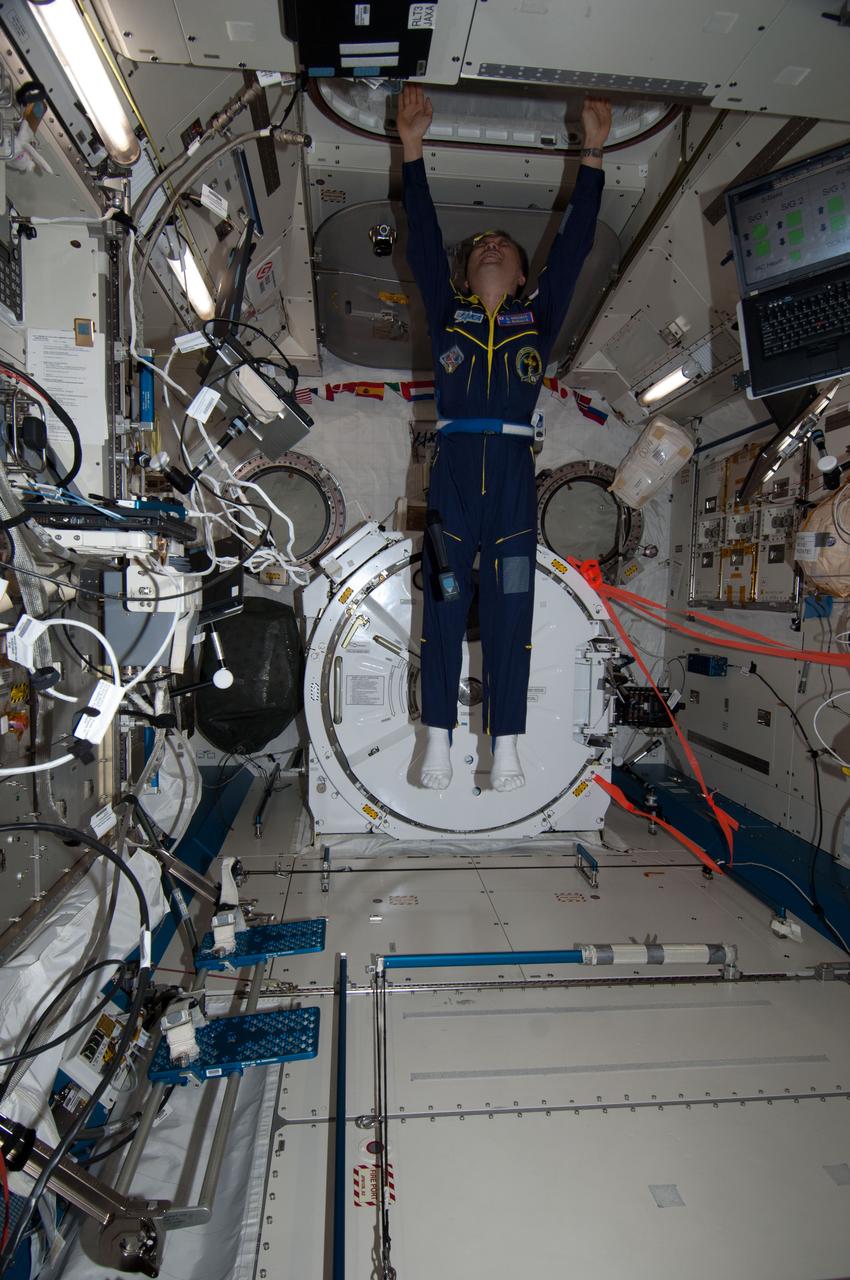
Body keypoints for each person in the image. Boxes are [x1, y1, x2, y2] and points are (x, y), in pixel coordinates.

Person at [398, 84, 612, 791]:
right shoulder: (447, 316)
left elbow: (575, 248)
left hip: (516, 483)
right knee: (442, 607)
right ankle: (437, 738)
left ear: (522, 276)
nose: (491, 245)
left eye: (504, 246)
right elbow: (423, 238)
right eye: (481, 245)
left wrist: (594, 154)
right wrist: (412, 149)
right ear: (465, 274)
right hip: (453, 479)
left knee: (513, 611)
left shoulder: (535, 323)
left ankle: (508, 745)